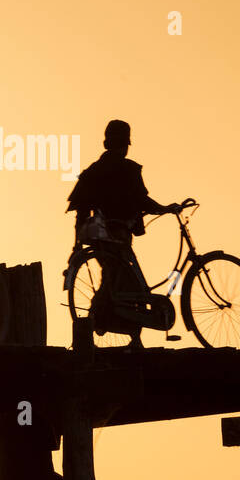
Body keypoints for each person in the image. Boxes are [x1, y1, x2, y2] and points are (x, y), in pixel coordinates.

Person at [66, 120, 182, 340]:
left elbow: (80, 208)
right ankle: (123, 331)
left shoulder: (93, 171)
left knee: (112, 281)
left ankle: (102, 322)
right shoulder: (128, 169)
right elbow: (142, 200)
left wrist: (76, 244)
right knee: (128, 286)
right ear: (126, 144)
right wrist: (166, 209)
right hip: (119, 236)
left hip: (99, 240)